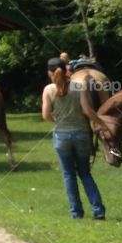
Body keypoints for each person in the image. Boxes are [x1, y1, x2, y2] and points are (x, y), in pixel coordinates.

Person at [41, 56, 106, 220]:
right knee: (85, 173)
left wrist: (57, 121)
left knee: (69, 175)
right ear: (66, 69)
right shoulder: (79, 86)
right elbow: (87, 111)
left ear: (50, 72)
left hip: (62, 136)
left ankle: (76, 213)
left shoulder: (48, 90)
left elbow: (45, 114)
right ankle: (98, 210)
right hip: (82, 134)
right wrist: (101, 123)